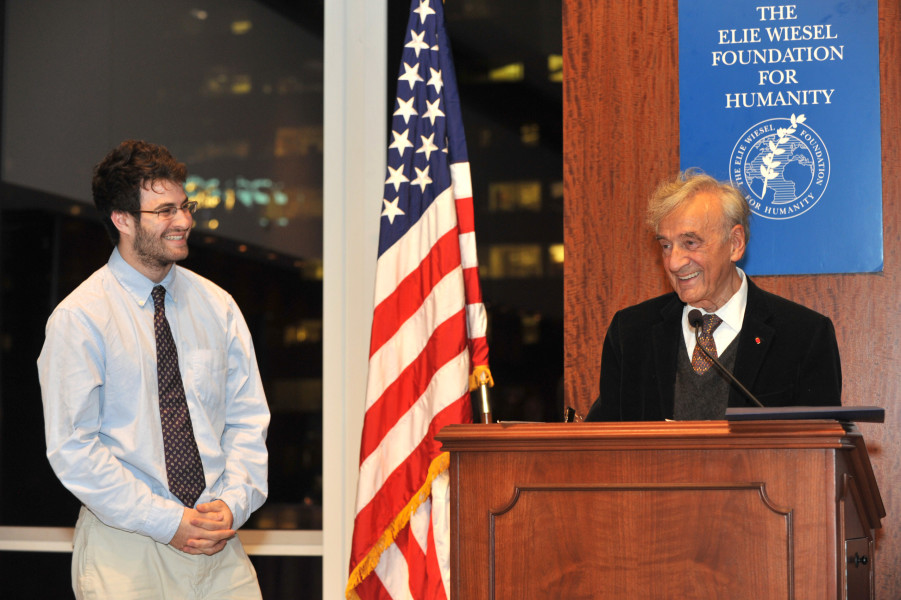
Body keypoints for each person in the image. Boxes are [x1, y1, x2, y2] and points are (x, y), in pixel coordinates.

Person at [37, 140, 270, 598]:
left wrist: (233, 502)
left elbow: (247, 420)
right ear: (122, 220)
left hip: (218, 545)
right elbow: (73, 448)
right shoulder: (81, 317)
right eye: (164, 211)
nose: (183, 221)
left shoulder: (218, 306)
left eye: (185, 206)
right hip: (126, 550)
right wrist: (167, 521)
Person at [585, 169, 841, 421]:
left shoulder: (803, 336)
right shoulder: (631, 333)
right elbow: (603, 443)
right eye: (665, 245)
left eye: (690, 243)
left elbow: (822, 451)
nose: (674, 263)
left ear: (735, 243)